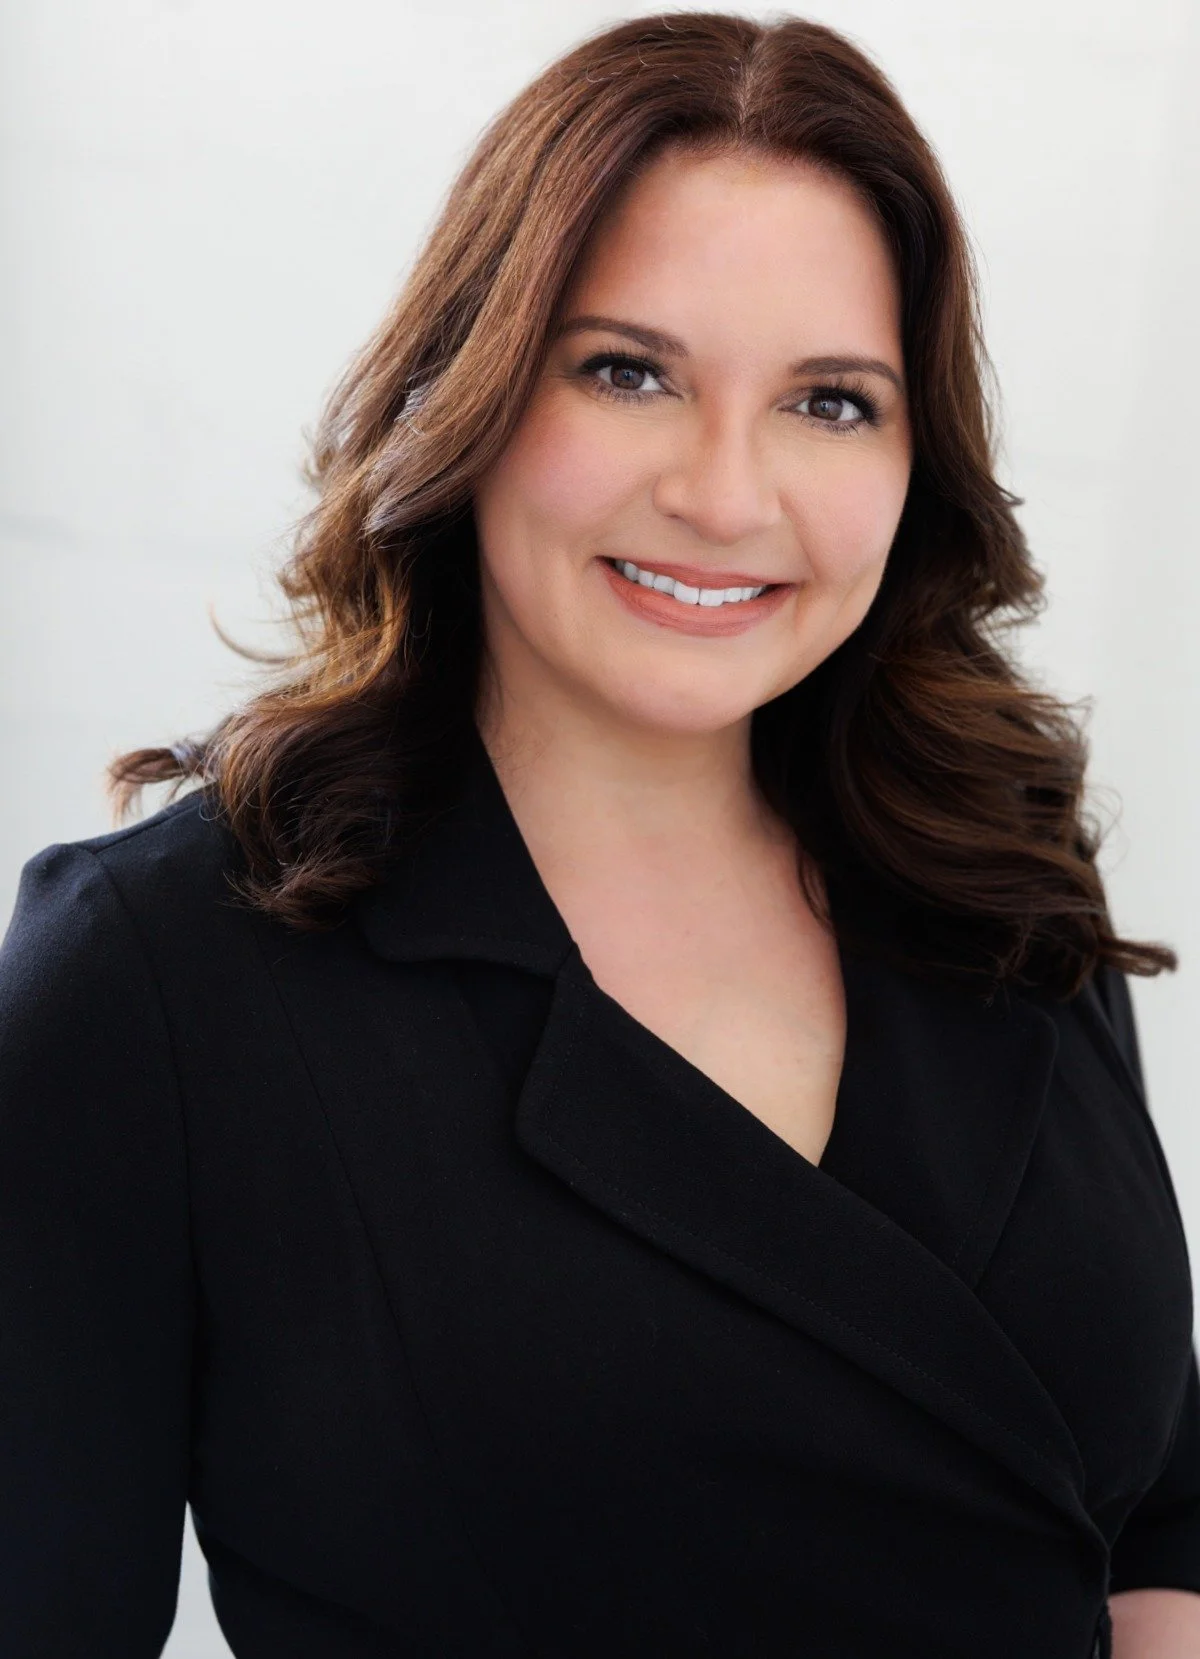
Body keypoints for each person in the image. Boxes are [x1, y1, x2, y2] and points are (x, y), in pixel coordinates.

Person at [1, 12, 1196, 1656]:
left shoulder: (995, 870)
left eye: (830, 403)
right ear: (472, 390)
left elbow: (1154, 1518)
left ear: (920, 461)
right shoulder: (159, 977)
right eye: (628, 371)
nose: (724, 493)